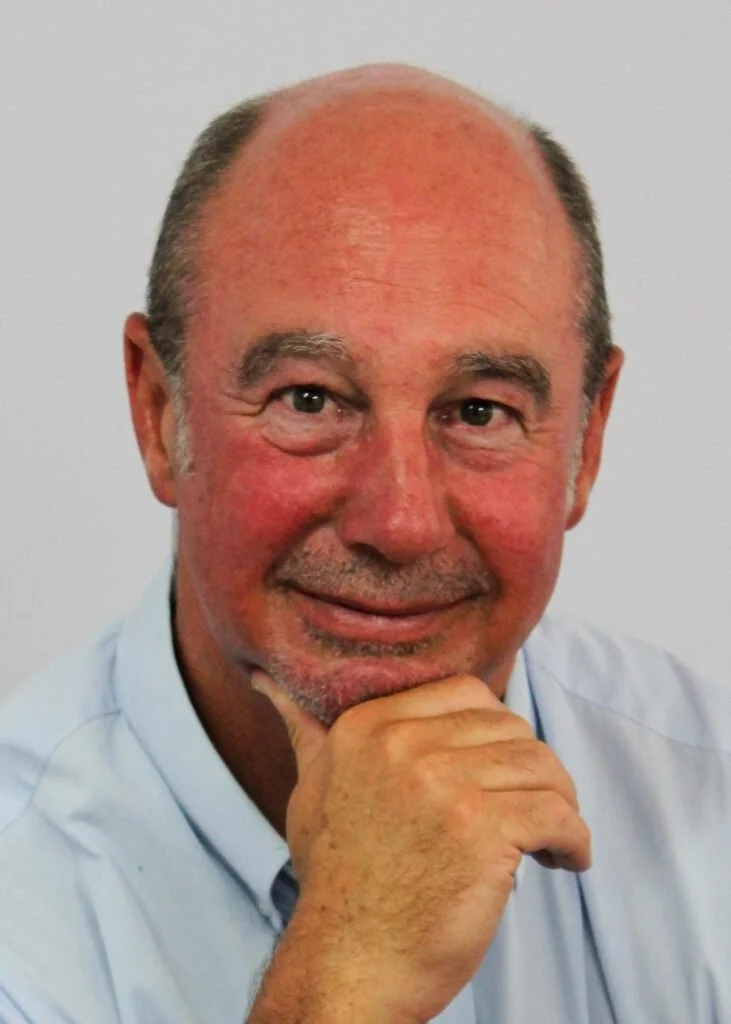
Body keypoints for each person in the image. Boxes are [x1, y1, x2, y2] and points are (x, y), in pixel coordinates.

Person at [0, 62, 728, 1024]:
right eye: (308, 400)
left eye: (478, 411)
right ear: (157, 411)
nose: (401, 522)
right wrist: (343, 976)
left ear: (586, 443)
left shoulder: (707, 796)